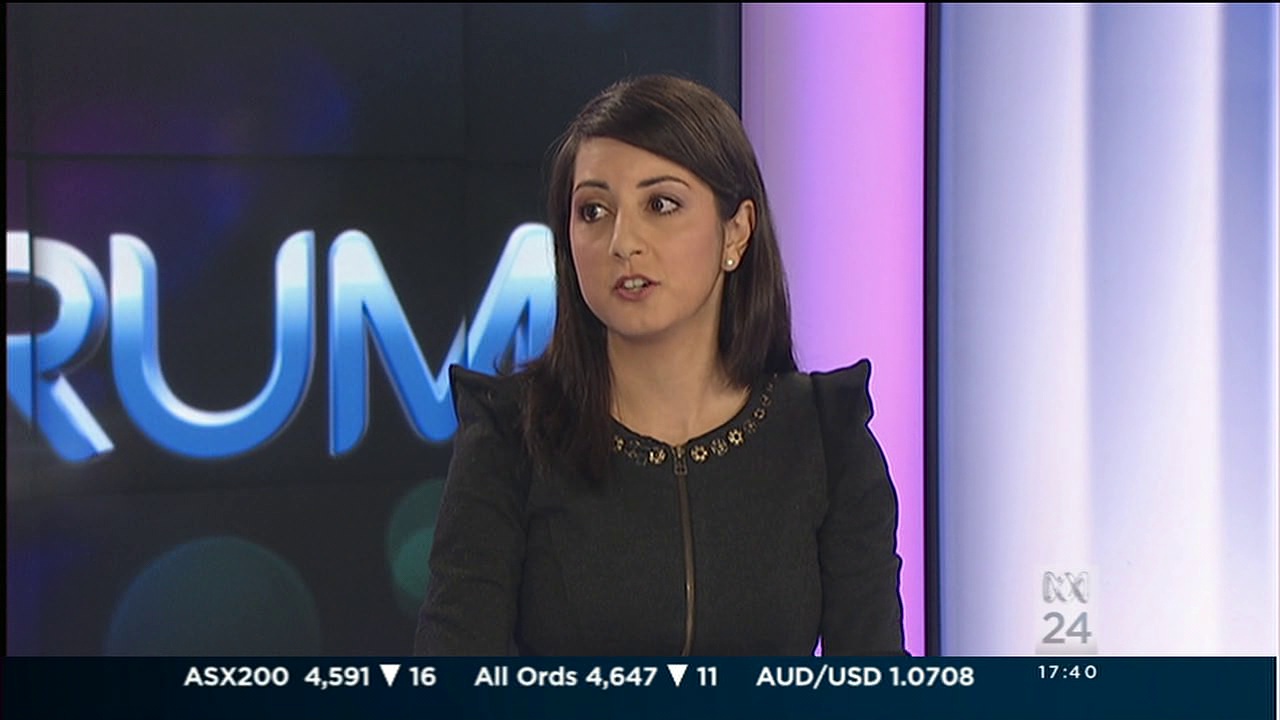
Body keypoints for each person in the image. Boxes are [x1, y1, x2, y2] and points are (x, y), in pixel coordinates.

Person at [415, 75, 904, 656]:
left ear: (737, 232)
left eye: (661, 204)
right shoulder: (511, 436)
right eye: (593, 210)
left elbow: (874, 681)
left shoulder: (826, 435)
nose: (623, 242)